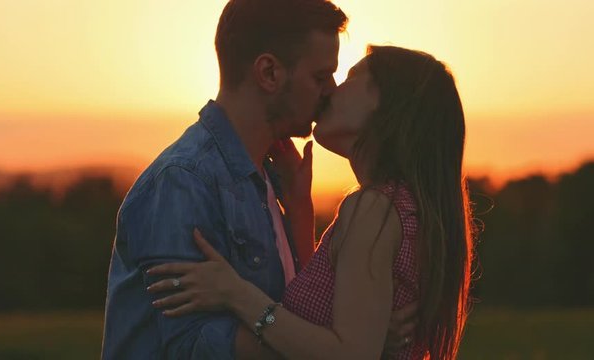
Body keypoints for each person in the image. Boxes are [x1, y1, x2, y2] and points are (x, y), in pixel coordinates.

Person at [101, 1, 417, 358]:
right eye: (319, 76)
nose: (331, 89)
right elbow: (192, 348)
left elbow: (298, 311)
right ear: (268, 73)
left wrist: (361, 336)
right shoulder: (184, 181)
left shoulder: (271, 179)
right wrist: (350, 347)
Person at [146, 45, 475, 359]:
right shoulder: (403, 207)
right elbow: (328, 308)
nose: (331, 90)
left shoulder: (374, 209)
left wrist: (236, 294)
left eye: (349, 77)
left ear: (387, 105)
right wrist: (299, 205)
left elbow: (350, 355)